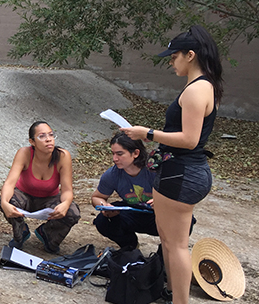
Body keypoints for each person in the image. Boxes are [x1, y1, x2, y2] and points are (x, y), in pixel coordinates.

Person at [121, 25, 223, 304]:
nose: (171, 61)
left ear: (190, 55)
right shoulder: (205, 86)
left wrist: (148, 134)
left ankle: (180, 300)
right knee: (167, 239)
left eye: (174, 56)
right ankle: (169, 292)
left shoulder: (195, 90)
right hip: (182, 171)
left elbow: (189, 139)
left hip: (181, 172)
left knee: (176, 244)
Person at [0, 121, 80, 253]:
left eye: (51, 135)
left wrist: (65, 203)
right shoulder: (24, 153)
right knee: (8, 200)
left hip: (49, 200)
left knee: (72, 212)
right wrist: (4, 203)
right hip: (24, 197)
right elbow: (9, 183)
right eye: (42, 136)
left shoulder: (62, 156)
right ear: (32, 142)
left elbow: (67, 190)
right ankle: (21, 231)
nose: (48, 139)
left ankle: (48, 234)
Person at [92, 132, 158, 248]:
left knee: (185, 223)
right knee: (102, 221)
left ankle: (165, 254)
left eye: (120, 154)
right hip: (133, 212)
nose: (115, 159)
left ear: (136, 153)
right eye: (113, 154)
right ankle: (129, 246)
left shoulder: (155, 170)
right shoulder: (112, 174)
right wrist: (105, 206)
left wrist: (163, 203)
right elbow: (97, 197)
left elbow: (180, 197)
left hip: (158, 215)